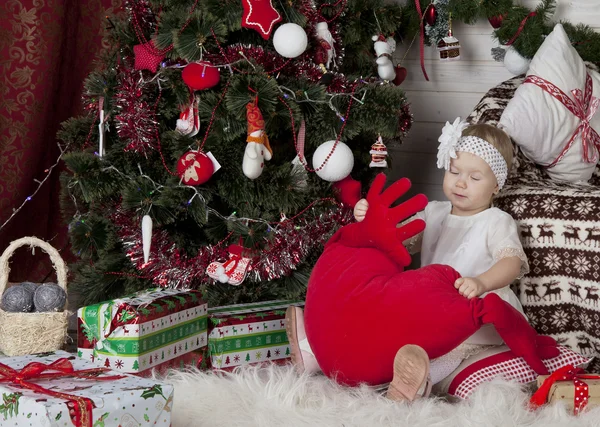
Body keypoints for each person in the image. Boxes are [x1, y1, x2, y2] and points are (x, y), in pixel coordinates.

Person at [286, 118, 531, 401]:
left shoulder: (496, 221)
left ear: (496, 186)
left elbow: (511, 264)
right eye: (454, 172)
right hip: (429, 307)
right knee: (384, 327)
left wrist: (481, 282)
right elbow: (394, 241)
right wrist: (368, 220)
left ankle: (418, 381)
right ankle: (318, 351)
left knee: (444, 351)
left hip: (475, 311)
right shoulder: (435, 212)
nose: (461, 183)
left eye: (475, 178)